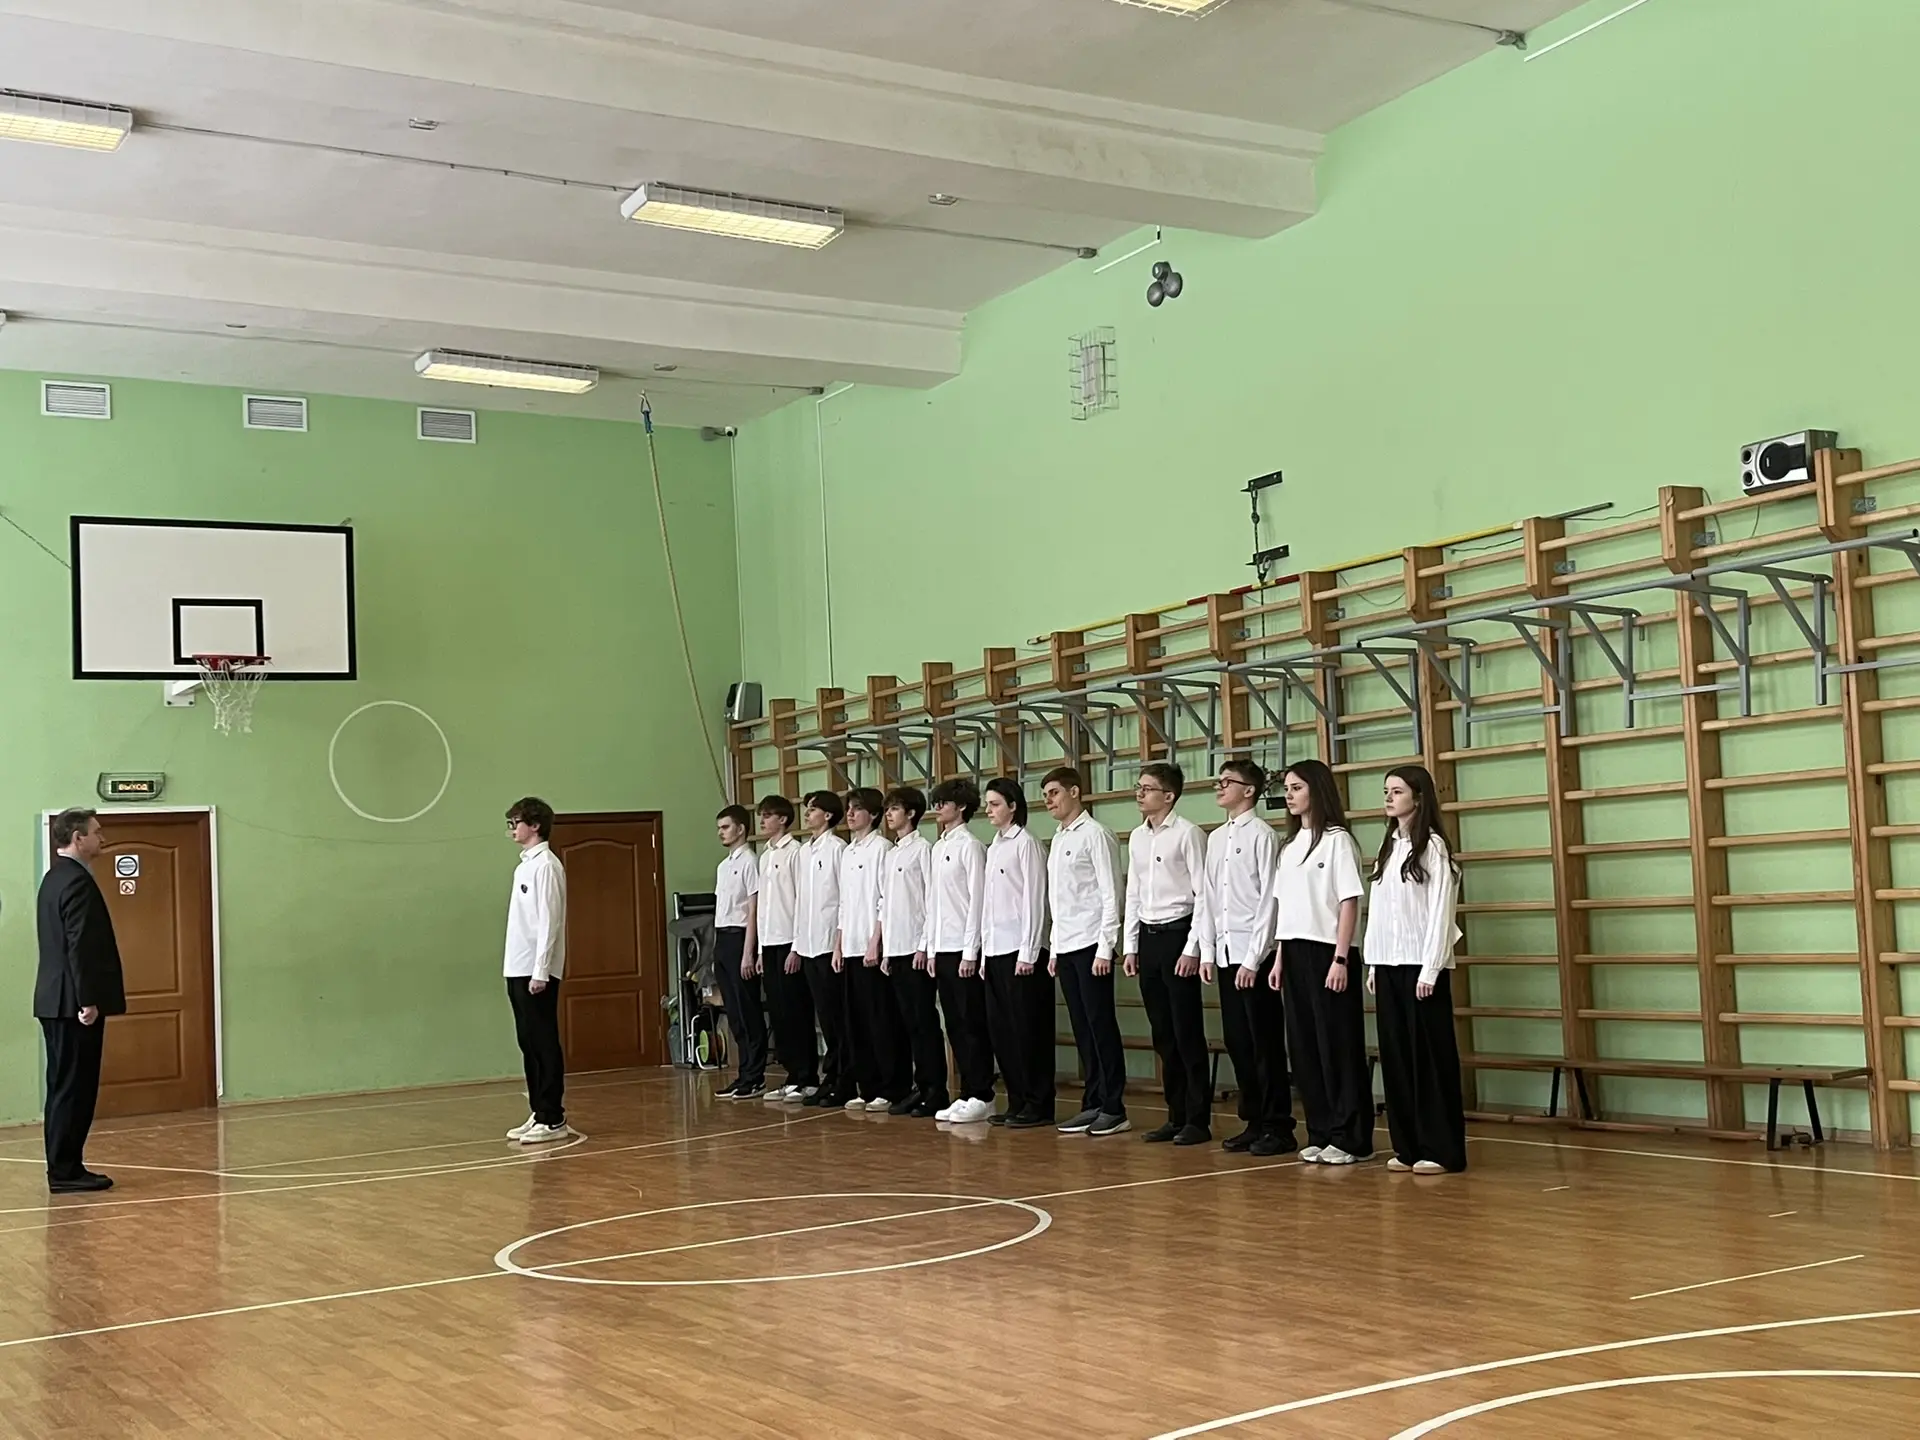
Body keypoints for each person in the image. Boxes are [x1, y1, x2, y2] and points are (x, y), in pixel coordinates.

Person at [1366, 764, 1467, 1175]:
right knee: (1396, 1058)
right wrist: (1373, 961)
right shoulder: (1389, 847)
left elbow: (1441, 912)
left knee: (1429, 1059)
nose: (1389, 798)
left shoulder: (1434, 848)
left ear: (1418, 797)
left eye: (1397, 791)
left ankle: (1440, 1148)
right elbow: (1379, 912)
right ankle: (1407, 1146)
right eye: (1386, 791)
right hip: (1388, 964)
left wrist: (1430, 969)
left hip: (1421, 967)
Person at [1273, 760, 1371, 1165]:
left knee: (1338, 1046)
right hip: (1294, 951)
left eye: (1297, 787)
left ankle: (1352, 1138)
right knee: (1304, 1047)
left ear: (1317, 789)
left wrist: (1341, 957)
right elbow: (1286, 908)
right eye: (1287, 788)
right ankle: (1321, 1130)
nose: (1289, 795)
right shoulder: (1289, 846)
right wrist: (1279, 958)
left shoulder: (1337, 841)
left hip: (1329, 951)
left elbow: (1348, 901)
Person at [1196, 759, 1296, 1157]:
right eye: (1218, 781)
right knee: (1238, 1041)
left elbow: (1270, 900)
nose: (1219, 787)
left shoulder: (1263, 836)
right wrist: (1207, 950)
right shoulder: (1216, 838)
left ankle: (1278, 1125)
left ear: (1249, 790)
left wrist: (1254, 958)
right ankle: (1253, 1120)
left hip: (1254, 956)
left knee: (1264, 1042)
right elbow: (1208, 897)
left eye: (1228, 781)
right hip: (1224, 953)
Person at [34, 808, 126, 1193]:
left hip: (55, 1000)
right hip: (73, 1004)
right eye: (97, 832)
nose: (102, 838)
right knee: (75, 1088)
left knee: (63, 1087)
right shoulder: (77, 882)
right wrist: (88, 999)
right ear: (77, 838)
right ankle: (66, 1171)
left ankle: (65, 1167)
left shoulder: (54, 878)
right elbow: (80, 946)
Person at [1122, 762, 1211, 1146]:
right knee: (1162, 1032)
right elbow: (1133, 892)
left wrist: (1193, 948)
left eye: (1148, 788)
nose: (1140, 794)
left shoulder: (1188, 834)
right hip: (1149, 937)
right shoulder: (1137, 837)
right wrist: (1130, 945)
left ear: (1169, 796)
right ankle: (1175, 1115)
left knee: (1186, 1030)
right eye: (1139, 787)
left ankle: (1197, 1119)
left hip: (1179, 934)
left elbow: (1204, 894)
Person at [1041, 767, 1128, 1137]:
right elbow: (1059, 900)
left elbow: (1111, 894)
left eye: (1055, 792)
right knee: (1082, 1028)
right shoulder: (1059, 838)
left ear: (1074, 792)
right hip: (1067, 945)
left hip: (1092, 944)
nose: (1049, 800)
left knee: (1100, 1024)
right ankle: (1093, 1102)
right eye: (1045, 795)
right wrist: (1054, 948)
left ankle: (1114, 1107)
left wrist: (1106, 947)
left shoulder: (1095, 834)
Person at [979, 777, 1053, 1128]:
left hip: (1021, 952)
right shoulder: (994, 847)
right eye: (987, 804)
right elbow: (988, 905)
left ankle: (1039, 1103)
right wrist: (984, 954)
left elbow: (1035, 901)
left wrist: (1029, 951)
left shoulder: (1027, 844)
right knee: (1003, 1031)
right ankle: (1017, 1099)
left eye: (994, 804)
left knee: (1029, 1030)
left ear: (1012, 806)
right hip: (996, 951)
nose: (988, 810)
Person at [925, 779, 994, 1123]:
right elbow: (933, 903)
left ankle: (982, 1093)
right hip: (942, 947)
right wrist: (931, 948)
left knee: (971, 1023)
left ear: (962, 807)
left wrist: (970, 951)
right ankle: (966, 1092)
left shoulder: (970, 846)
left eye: (944, 803)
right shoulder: (938, 847)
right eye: (936, 803)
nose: (938, 808)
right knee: (953, 1023)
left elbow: (977, 901)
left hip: (964, 949)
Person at [503, 797, 570, 1144]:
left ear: (535, 825)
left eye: (516, 822)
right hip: (517, 965)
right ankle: (538, 1109)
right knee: (527, 1041)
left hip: (535, 969)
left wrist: (541, 970)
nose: (512, 829)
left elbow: (549, 922)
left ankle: (553, 1117)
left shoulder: (547, 866)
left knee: (543, 1040)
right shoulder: (524, 866)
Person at [878, 786, 942, 1116]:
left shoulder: (923, 850)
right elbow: (887, 905)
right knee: (907, 1024)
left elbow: (931, 901)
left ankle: (935, 1090)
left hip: (917, 948)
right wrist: (887, 951)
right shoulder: (891, 854)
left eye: (894, 809)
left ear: (911, 813)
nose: (888, 815)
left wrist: (923, 945)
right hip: (897, 949)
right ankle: (918, 1086)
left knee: (923, 1021)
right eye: (887, 809)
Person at [836, 787, 899, 1111]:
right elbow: (843, 904)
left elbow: (884, 901)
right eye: (848, 808)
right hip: (849, 947)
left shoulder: (882, 848)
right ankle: (867, 1085)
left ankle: (890, 1087)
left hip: (871, 949)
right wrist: (838, 945)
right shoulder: (848, 852)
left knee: (880, 1020)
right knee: (856, 1022)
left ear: (873, 814)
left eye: (857, 809)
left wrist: (875, 943)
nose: (849, 814)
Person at [755, 795, 817, 1103]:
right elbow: (763, 907)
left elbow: (801, 901)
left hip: (790, 943)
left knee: (796, 1011)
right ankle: (791, 1075)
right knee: (779, 1015)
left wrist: (796, 946)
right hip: (769, 943)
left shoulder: (795, 852)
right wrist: (759, 949)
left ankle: (807, 1078)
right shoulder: (764, 856)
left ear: (782, 819)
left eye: (768, 815)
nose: (762, 821)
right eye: (761, 815)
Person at [794, 791, 849, 1108]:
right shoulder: (804, 851)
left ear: (827, 815)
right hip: (809, 944)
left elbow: (843, 899)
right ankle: (829, 1076)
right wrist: (797, 944)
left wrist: (838, 943)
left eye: (812, 809)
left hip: (829, 944)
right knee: (823, 1018)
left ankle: (843, 1077)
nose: (807, 814)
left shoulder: (837, 849)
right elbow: (802, 902)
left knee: (836, 1016)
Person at [711, 805, 767, 1100]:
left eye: (726, 827)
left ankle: (755, 1077)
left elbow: (753, 910)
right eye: (719, 828)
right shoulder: (723, 866)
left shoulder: (750, 862)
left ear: (741, 829)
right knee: (733, 1011)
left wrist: (749, 952)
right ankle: (743, 1073)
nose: (721, 833)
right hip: (723, 938)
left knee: (747, 1010)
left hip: (741, 938)